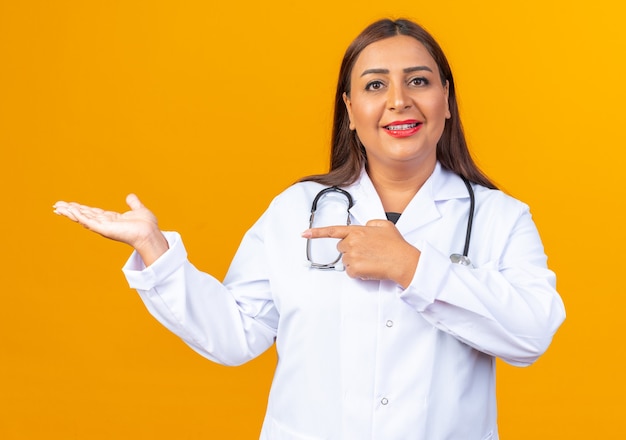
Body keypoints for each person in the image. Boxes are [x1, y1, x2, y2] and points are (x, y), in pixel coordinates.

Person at [53, 18, 565, 440]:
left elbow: (532, 334)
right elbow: (236, 334)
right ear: (349, 111)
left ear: (446, 101)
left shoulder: (501, 217)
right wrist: (155, 251)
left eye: (419, 80)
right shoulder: (295, 210)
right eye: (374, 85)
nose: (398, 100)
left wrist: (412, 267)